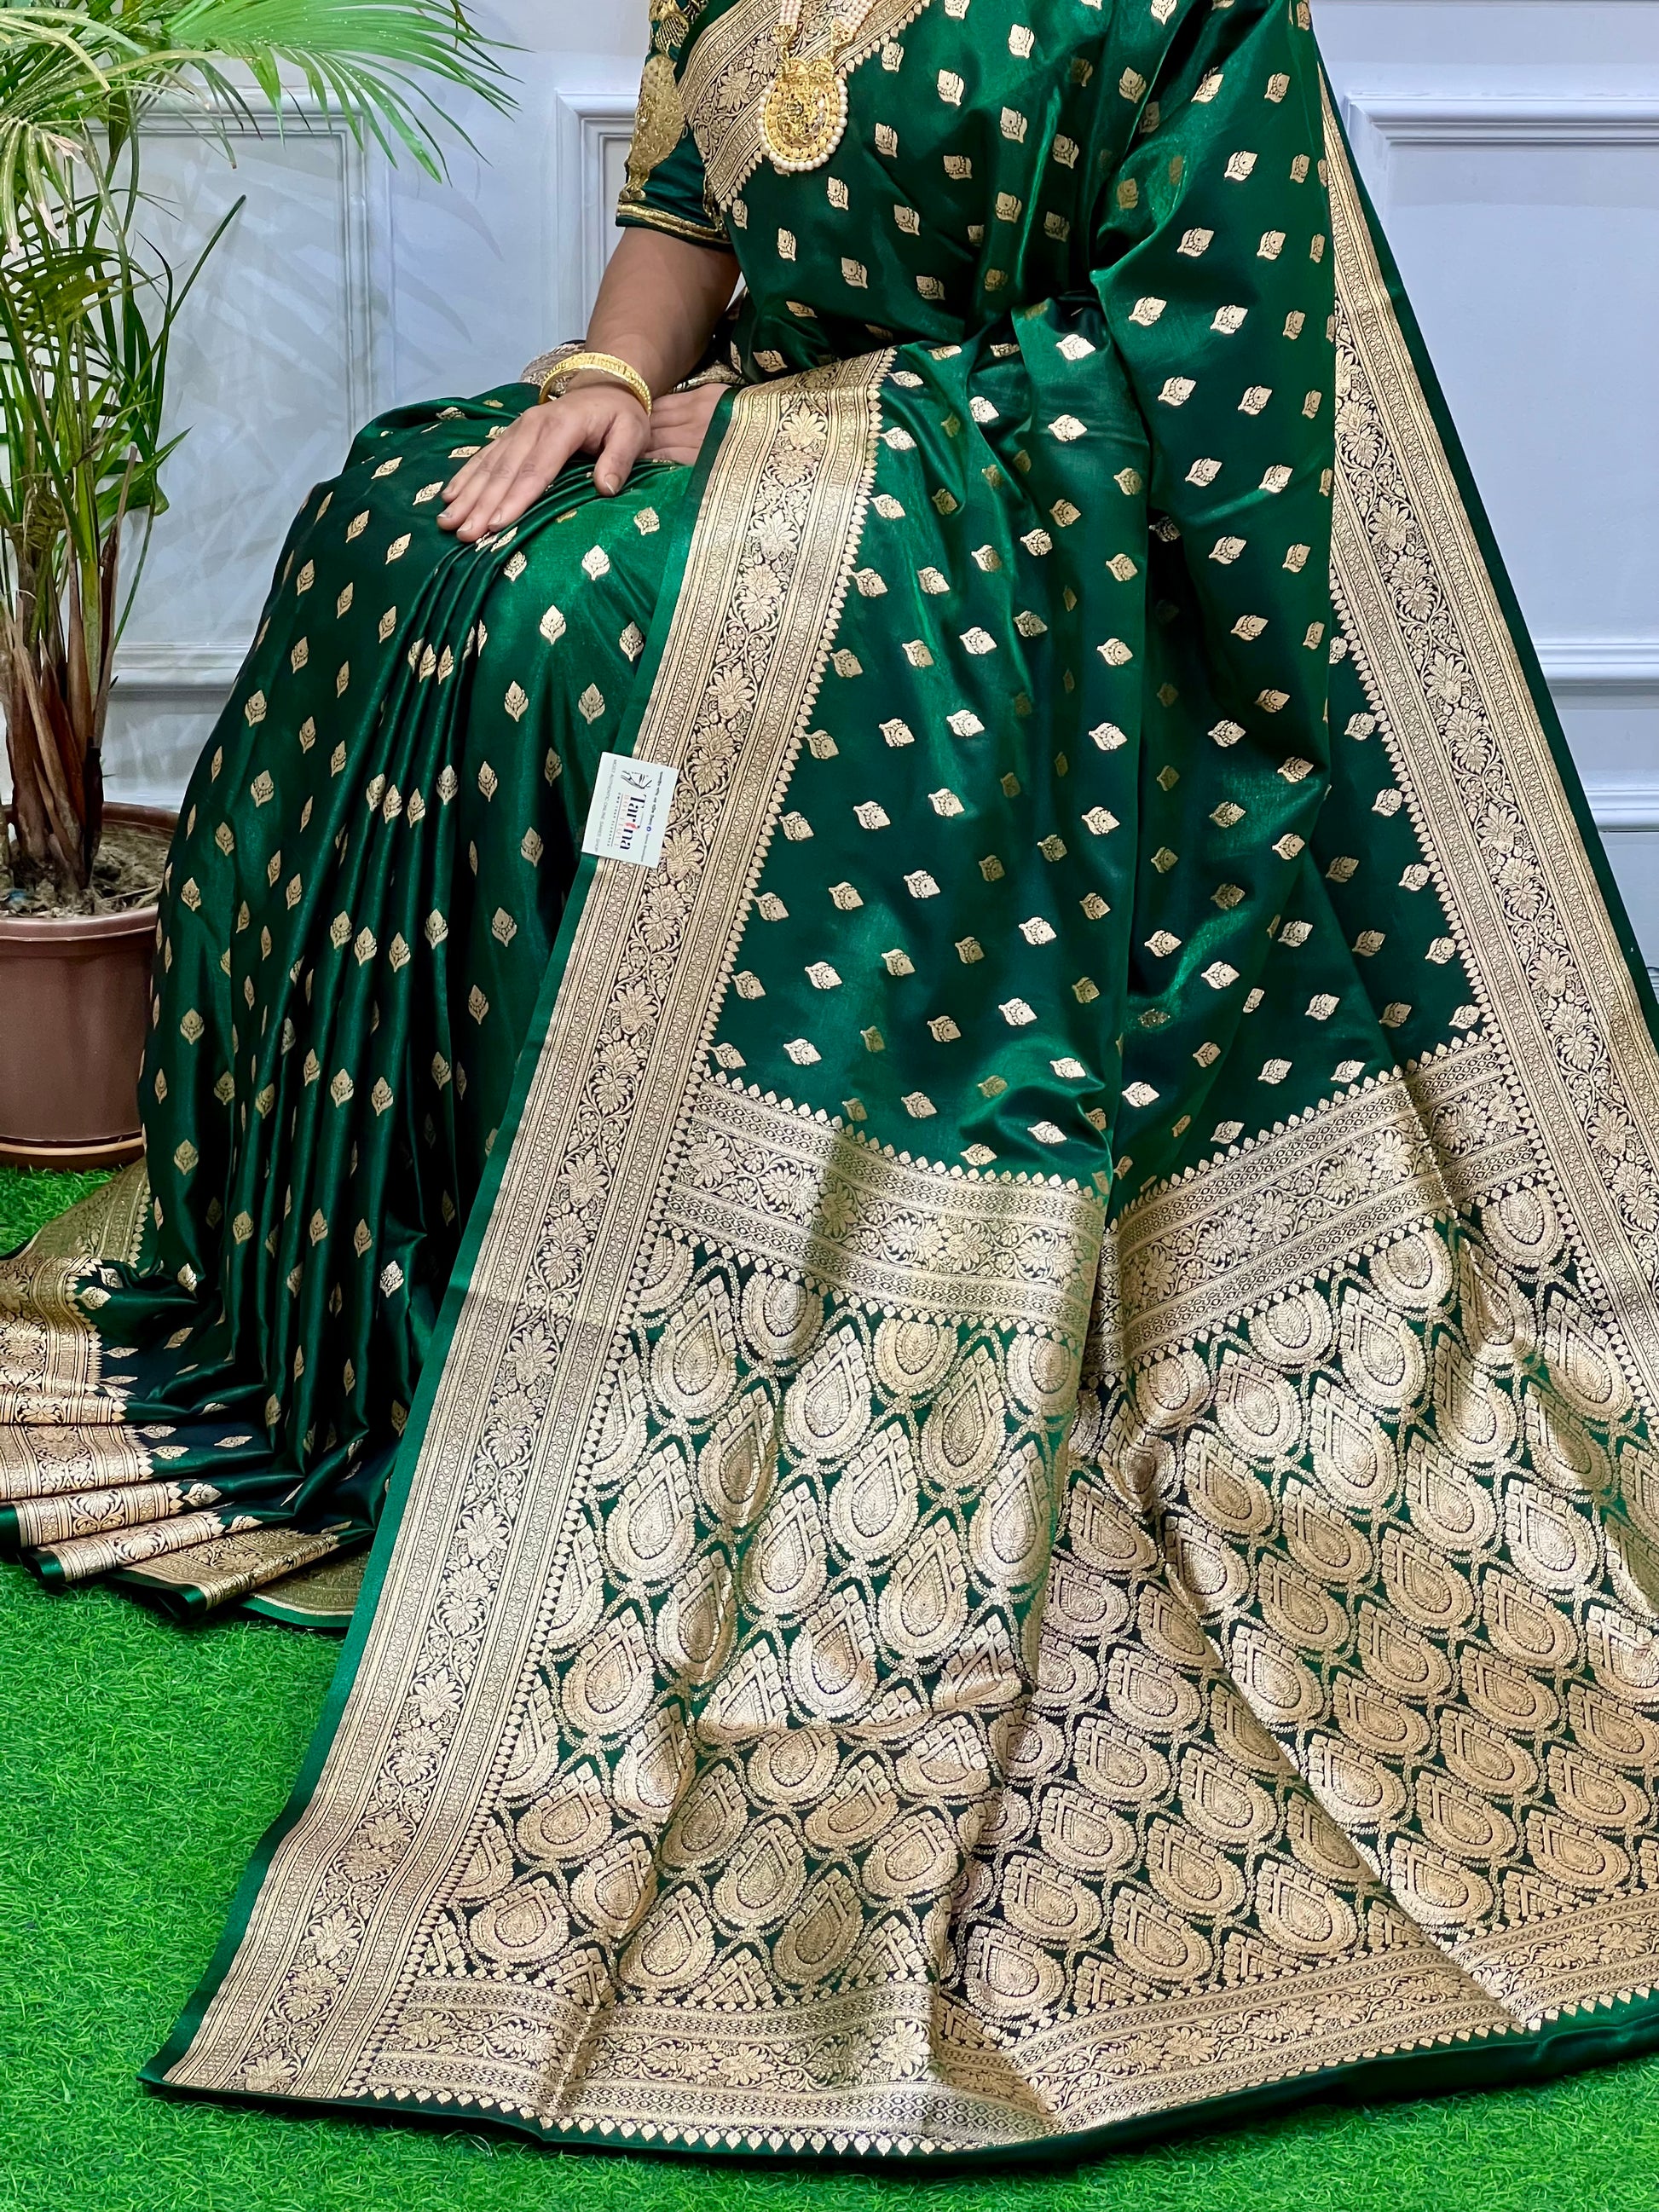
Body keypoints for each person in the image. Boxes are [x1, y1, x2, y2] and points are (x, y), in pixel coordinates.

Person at [7, 0, 1659, 2160]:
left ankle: (654, 1347)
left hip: (1055, 566)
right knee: (405, 527)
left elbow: (1205, 381)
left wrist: (807, 438)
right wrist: (616, 377)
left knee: (578, 630)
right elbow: (687, 202)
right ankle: (426, 1353)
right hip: (810, 475)